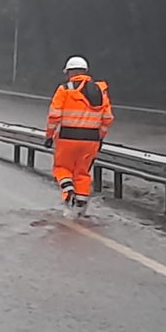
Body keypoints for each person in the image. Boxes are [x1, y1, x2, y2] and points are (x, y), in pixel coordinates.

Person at [43, 56, 113, 216]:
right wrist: (100, 137)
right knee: (82, 172)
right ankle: (80, 207)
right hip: (91, 140)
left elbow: (54, 115)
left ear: (69, 72)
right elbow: (107, 118)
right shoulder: (100, 91)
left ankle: (68, 193)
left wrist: (49, 135)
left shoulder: (65, 89)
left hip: (67, 137)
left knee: (62, 168)